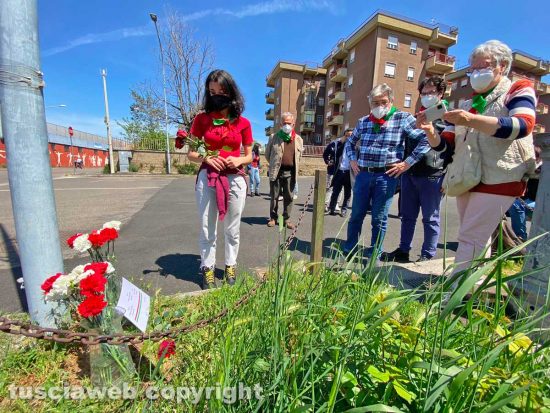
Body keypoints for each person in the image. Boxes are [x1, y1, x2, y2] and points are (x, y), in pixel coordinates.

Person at [418, 40, 537, 278]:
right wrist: (430, 131)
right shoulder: (467, 104)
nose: (476, 73)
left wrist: (470, 121)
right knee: (476, 236)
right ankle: (474, 282)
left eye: (484, 66)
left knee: (470, 235)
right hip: (468, 176)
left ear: (502, 67)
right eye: (472, 69)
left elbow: (523, 125)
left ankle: (455, 293)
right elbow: (445, 147)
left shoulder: (518, 89)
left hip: (501, 175)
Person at [343, 83, 430, 261]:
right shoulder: (363, 121)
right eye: (375, 103)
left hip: (386, 176)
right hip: (363, 174)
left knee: (379, 218)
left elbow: (426, 140)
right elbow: (350, 142)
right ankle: (349, 248)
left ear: (390, 101)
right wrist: (352, 159)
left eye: (383, 102)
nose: (379, 107)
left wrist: (406, 164)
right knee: (356, 215)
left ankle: (375, 251)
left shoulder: (402, 118)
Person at [187, 69, 253, 289]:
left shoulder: (243, 123)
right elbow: (191, 153)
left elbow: (249, 154)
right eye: (211, 90)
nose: (216, 94)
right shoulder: (201, 119)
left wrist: (238, 160)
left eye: (221, 90)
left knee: (232, 228)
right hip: (208, 177)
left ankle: (230, 265)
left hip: (235, 178)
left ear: (230, 91)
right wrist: (207, 157)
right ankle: (207, 268)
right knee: (207, 228)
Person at [384, 76, 455, 263]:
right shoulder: (418, 117)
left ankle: (427, 255)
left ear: (441, 93)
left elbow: (448, 149)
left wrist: (447, 176)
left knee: (430, 218)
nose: (426, 96)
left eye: (431, 92)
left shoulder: (448, 118)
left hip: (433, 175)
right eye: (423, 93)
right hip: (410, 174)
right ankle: (403, 250)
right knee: (407, 216)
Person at [265, 112, 303, 229]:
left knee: (289, 197)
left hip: (290, 173)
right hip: (276, 172)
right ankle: (273, 218)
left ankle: (286, 219)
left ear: (293, 124)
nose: (287, 125)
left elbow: (299, 157)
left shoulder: (298, 139)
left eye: (289, 123)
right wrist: (274, 165)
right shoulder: (274, 137)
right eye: (284, 123)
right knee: (274, 197)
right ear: (281, 124)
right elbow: (267, 155)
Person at [507, 144, 541, 240]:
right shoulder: (521, 170)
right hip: (526, 201)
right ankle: (515, 238)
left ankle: (520, 238)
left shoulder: (543, 170)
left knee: (517, 205)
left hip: (538, 203)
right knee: (513, 204)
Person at [328, 128, 353, 217]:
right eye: (346, 136)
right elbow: (330, 152)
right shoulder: (340, 145)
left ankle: (344, 210)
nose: (348, 137)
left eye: (350, 135)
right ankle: (331, 208)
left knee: (347, 193)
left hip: (349, 173)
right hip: (339, 172)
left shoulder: (356, 147)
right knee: (335, 191)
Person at [323, 135, 341, 211]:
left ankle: (336, 203)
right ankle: (325, 204)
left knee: (340, 188)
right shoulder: (333, 144)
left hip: (341, 170)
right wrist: (328, 161)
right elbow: (325, 154)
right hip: (332, 170)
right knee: (329, 187)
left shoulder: (348, 145)